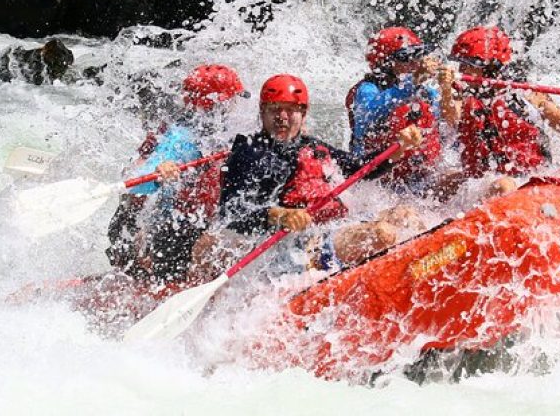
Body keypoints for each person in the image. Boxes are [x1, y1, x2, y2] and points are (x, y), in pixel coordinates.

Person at [190, 74, 425, 280]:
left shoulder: (310, 145)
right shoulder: (249, 153)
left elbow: (359, 169)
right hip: (295, 247)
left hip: (333, 227)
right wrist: (278, 214)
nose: (282, 117)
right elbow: (231, 212)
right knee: (382, 234)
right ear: (262, 113)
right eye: (274, 109)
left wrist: (399, 148)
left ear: (303, 114)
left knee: (407, 216)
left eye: (290, 109)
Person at [106, 64, 248, 282]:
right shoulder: (182, 138)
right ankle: (154, 278)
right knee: (213, 243)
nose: (236, 105)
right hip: (158, 233)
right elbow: (137, 183)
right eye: (232, 99)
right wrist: (159, 170)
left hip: (181, 226)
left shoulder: (218, 131)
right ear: (217, 104)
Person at [441, 26, 560, 193]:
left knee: (503, 185)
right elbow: (452, 118)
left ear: (490, 67)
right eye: (461, 64)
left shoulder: (526, 94)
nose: (462, 71)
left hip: (526, 180)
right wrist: (445, 88)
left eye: (468, 65)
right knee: (444, 182)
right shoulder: (460, 94)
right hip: (481, 181)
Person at [345, 27, 443, 193]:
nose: (414, 63)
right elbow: (372, 113)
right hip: (379, 183)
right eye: (405, 57)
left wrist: (447, 90)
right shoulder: (367, 90)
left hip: (421, 177)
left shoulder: (426, 91)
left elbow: (449, 123)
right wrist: (413, 82)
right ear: (385, 63)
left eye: (417, 55)